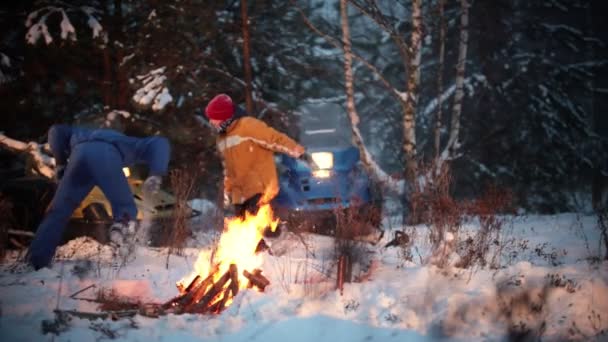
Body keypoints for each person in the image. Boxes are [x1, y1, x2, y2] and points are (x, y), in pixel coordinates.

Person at [27, 124, 170, 270]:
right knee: (125, 208)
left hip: (79, 155)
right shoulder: (128, 142)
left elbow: (55, 131)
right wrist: (156, 173)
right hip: (106, 154)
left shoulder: (78, 131)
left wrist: (61, 162)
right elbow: (160, 142)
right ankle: (121, 239)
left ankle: (36, 261)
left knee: (57, 212)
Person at [204, 94, 305, 225]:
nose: (211, 122)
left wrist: (297, 150)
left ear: (224, 116)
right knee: (243, 233)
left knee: (255, 229)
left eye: (213, 118)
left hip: (259, 188)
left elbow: (273, 139)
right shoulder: (221, 139)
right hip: (238, 195)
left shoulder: (248, 126)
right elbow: (228, 168)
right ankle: (262, 244)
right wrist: (228, 191)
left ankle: (274, 232)